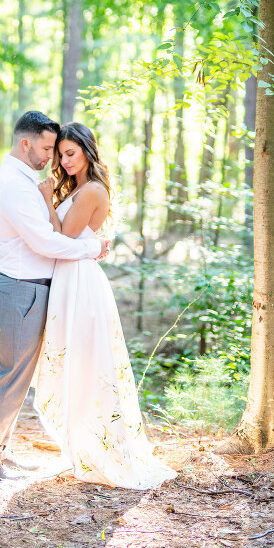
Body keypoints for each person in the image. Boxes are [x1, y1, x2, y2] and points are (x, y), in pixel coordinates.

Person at [34, 122, 176, 489]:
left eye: (71, 153)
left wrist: (48, 200)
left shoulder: (92, 189)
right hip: (70, 277)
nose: (64, 161)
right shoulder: (78, 188)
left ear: (86, 150)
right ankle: (80, 448)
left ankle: (100, 450)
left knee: (87, 362)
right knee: (72, 363)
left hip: (81, 281)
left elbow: (59, 237)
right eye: (60, 155)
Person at [0, 112, 110, 481]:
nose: (52, 156)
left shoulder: (23, 179)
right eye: (48, 148)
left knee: (17, 376)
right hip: (20, 288)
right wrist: (92, 248)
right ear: (25, 143)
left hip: (30, 289)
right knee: (9, 376)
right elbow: (45, 240)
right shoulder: (16, 184)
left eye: (58, 149)